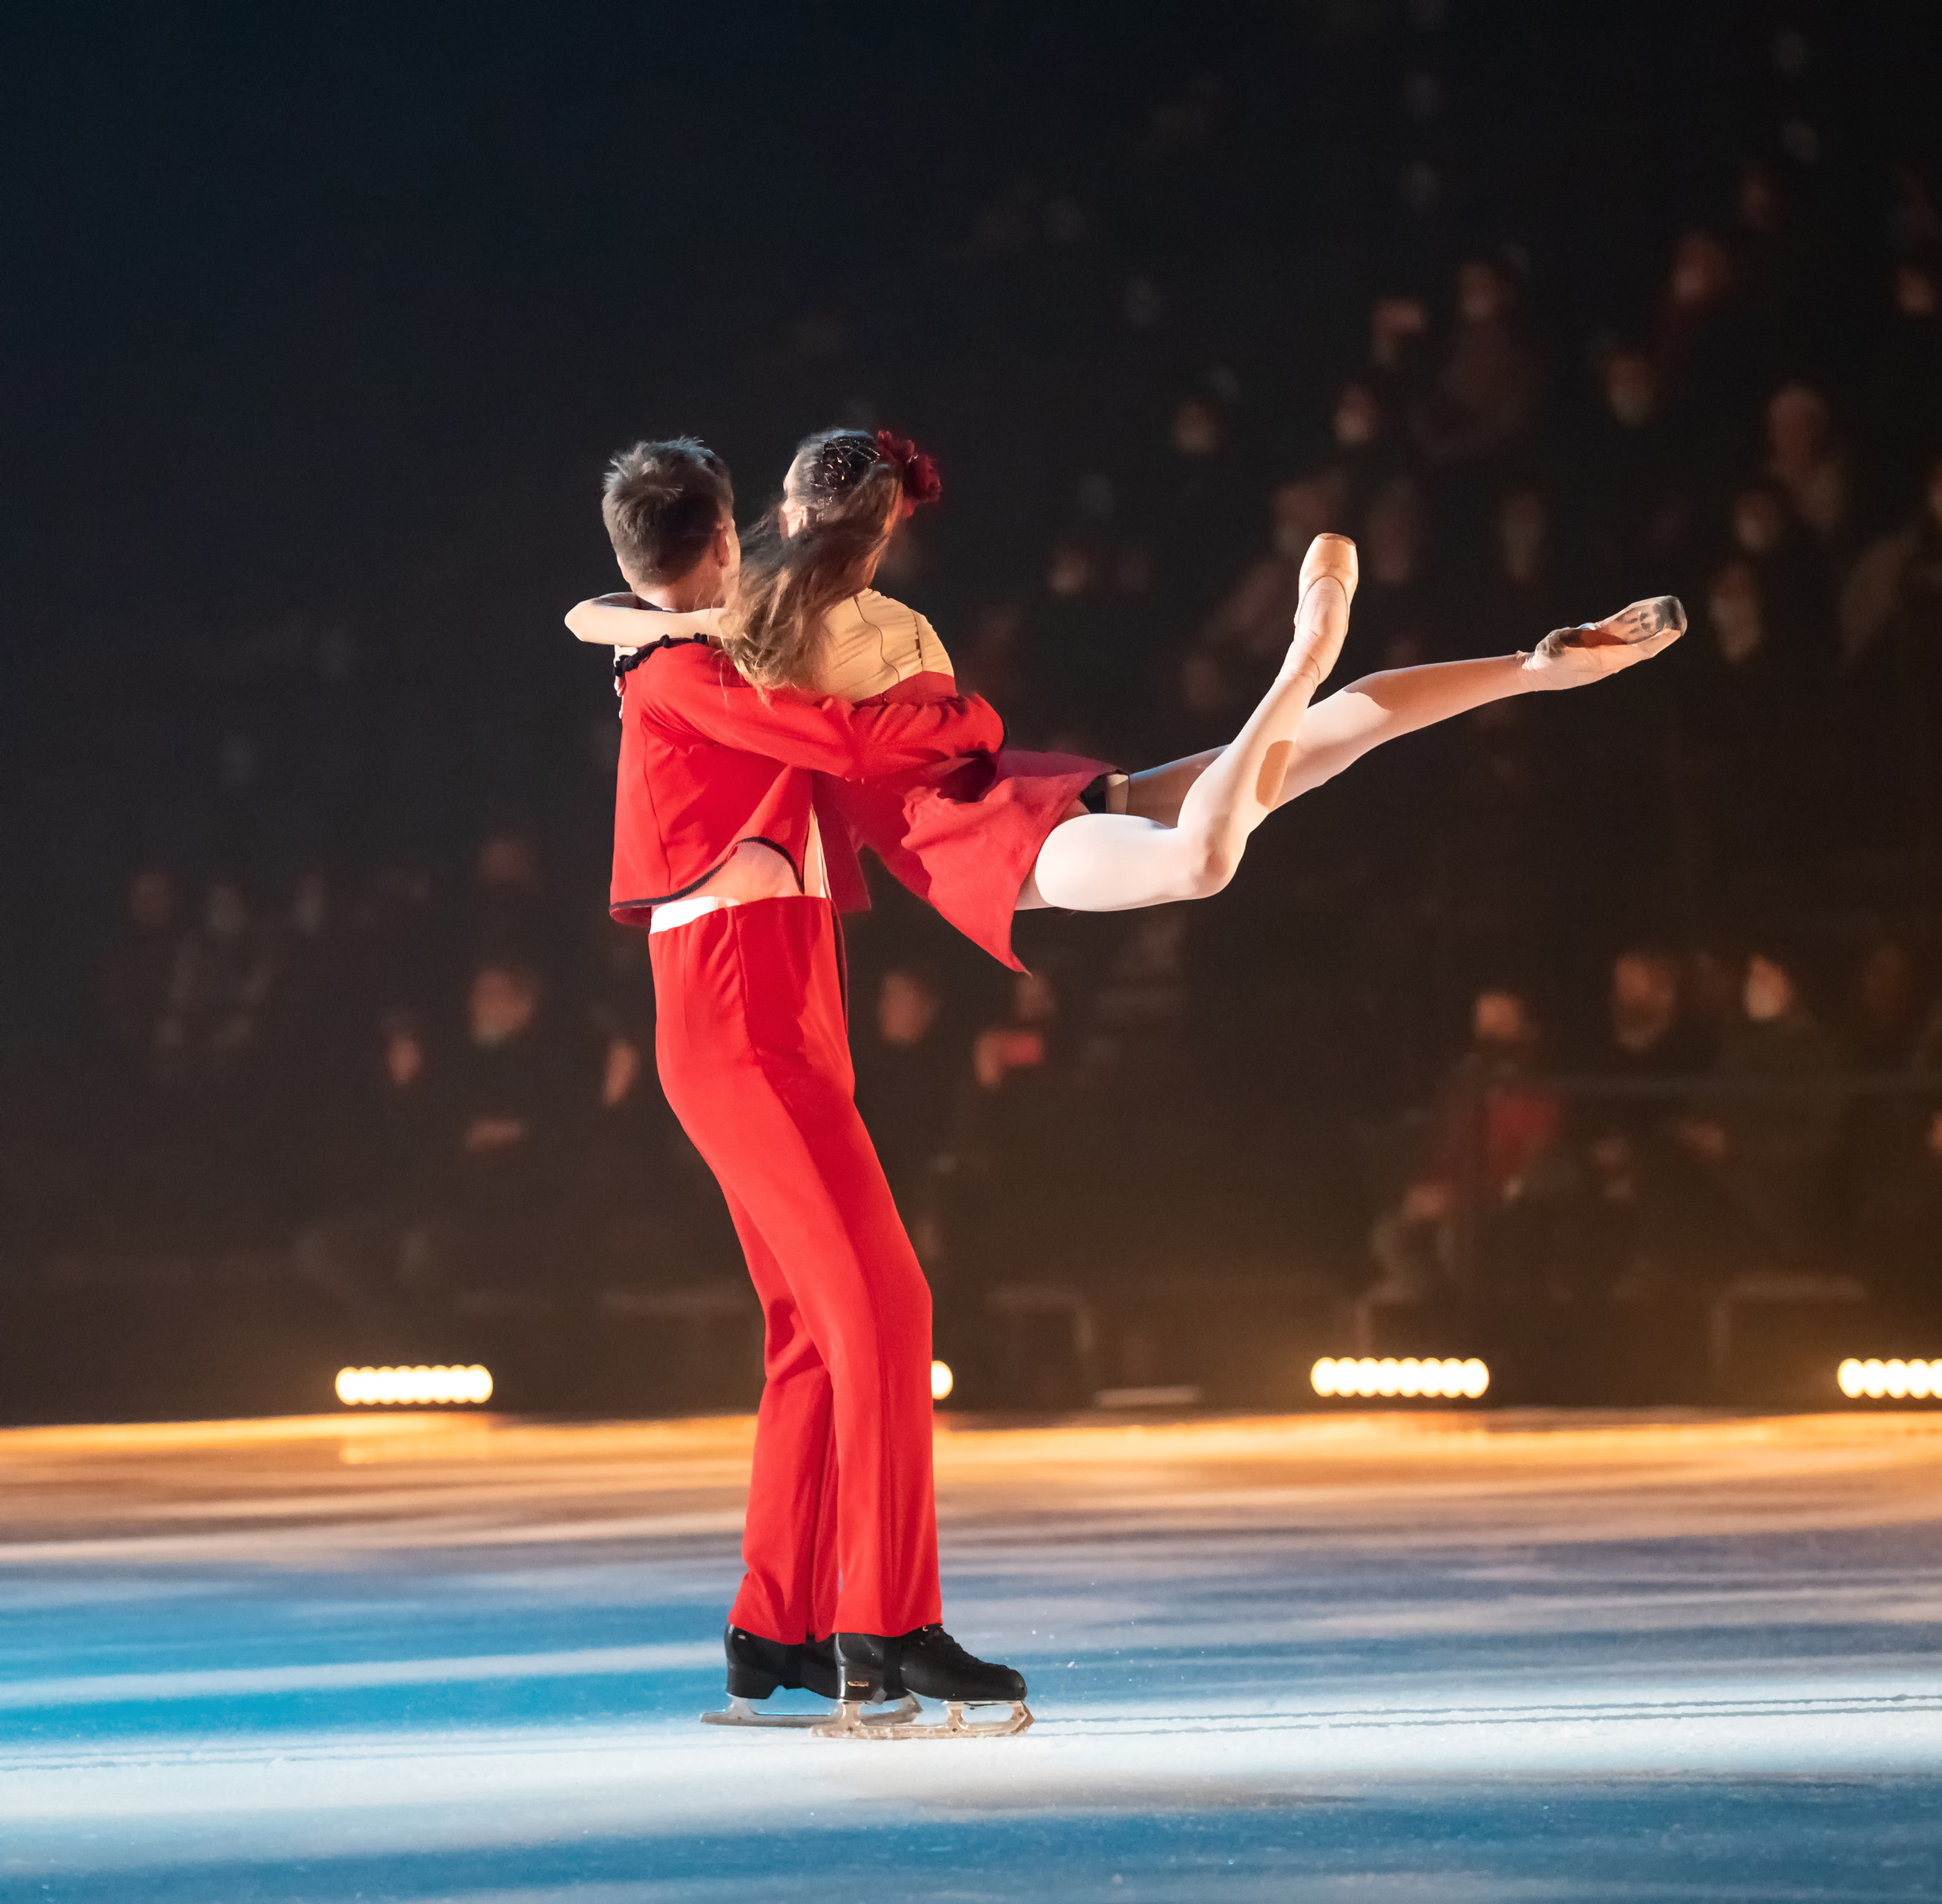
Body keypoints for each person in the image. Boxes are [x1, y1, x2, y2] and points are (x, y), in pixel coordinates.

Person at [571, 427, 1686, 972]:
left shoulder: (753, 624)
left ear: (782, 514)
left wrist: (661, 626)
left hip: (971, 841)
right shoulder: (895, 626)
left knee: (1205, 859)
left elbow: (598, 617)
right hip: (1006, 794)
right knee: (1315, 749)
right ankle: (1531, 668)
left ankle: (1301, 661)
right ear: (893, 525)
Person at [592, 437, 1029, 1736]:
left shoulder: (701, 647)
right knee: (888, 1308)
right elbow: (841, 741)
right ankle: (887, 1621)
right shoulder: (682, 671)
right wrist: (978, 719)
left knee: (810, 1328)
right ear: (727, 538)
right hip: (744, 1013)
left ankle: (774, 1625)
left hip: (769, 1002)